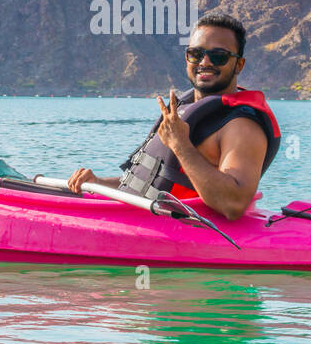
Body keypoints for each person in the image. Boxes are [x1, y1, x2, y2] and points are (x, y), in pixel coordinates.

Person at [67, 13, 279, 220]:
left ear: (239, 65)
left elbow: (233, 205)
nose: (205, 62)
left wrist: (180, 145)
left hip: (189, 234)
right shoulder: (186, 109)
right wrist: (98, 183)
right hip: (146, 221)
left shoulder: (242, 127)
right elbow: (152, 182)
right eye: (196, 54)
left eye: (219, 56)